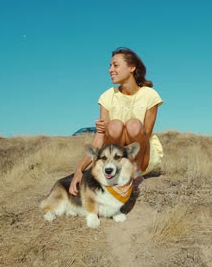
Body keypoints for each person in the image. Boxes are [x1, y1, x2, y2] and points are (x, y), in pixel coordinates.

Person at [69, 47, 163, 196]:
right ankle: (115, 171)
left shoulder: (149, 95)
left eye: (115, 65)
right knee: (114, 126)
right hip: (115, 156)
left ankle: (135, 174)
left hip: (141, 156)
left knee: (133, 125)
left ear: (132, 68)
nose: (110, 70)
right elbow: (100, 138)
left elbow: (146, 135)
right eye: (110, 65)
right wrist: (79, 170)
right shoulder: (107, 96)